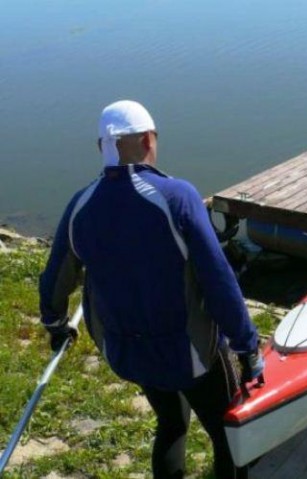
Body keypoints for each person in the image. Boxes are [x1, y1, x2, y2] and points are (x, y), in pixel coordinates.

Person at [39, 100, 262, 479]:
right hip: (190, 352)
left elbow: (55, 279)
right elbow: (218, 279)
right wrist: (247, 347)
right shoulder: (176, 196)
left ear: (101, 149)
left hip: (127, 352)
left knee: (172, 424)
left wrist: (56, 322)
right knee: (228, 435)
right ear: (146, 140)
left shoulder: (81, 205)